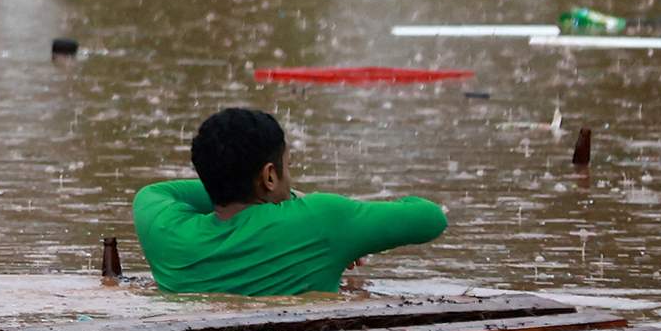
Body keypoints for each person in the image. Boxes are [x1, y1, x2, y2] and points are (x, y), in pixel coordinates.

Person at [133, 107, 447, 296]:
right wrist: (311, 208)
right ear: (269, 176)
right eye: (289, 165)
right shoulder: (322, 220)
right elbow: (430, 218)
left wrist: (224, 181)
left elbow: (159, 192)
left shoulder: (164, 231)